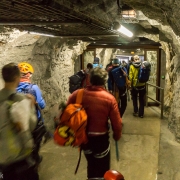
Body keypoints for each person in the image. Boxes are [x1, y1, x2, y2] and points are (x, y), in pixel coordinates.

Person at [67, 67, 122, 179]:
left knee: (91, 164)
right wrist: (117, 135)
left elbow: (66, 112)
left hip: (83, 137)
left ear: (90, 79)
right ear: (105, 81)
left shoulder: (77, 94)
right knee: (102, 168)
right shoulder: (109, 98)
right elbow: (117, 122)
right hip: (100, 139)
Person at [0, 62, 39, 180]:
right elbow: (31, 125)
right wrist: (31, 106)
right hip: (19, 155)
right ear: (17, 78)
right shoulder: (20, 99)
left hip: (3, 157)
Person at [16, 62, 46, 165]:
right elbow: (42, 105)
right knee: (34, 144)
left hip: (18, 123)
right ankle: (34, 160)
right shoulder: (33, 88)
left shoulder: (13, 89)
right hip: (33, 123)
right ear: (29, 74)